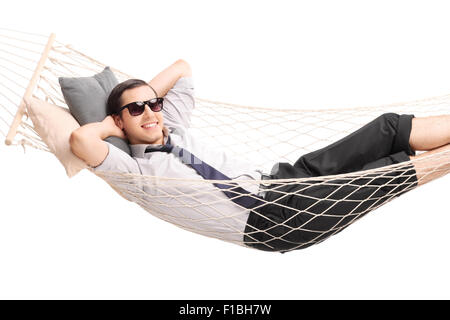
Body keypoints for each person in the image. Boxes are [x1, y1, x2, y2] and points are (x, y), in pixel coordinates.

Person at [70, 59, 450, 252]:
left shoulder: (173, 124)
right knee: (385, 172)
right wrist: (109, 126)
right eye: (136, 110)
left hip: (280, 179)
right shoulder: (137, 174)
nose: (151, 112)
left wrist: (143, 100)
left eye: (154, 103)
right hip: (274, 222)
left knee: (387, 127)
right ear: (119, 121)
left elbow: (183, 68)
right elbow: (81, 142)